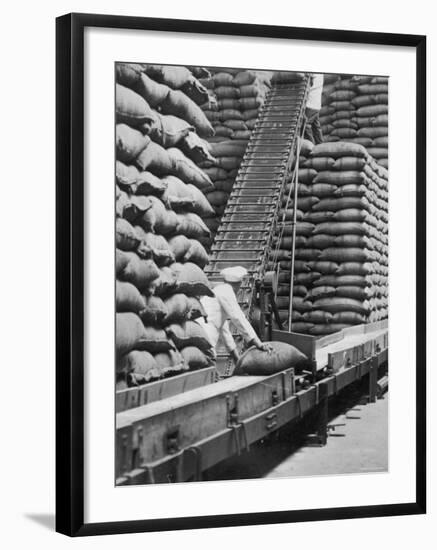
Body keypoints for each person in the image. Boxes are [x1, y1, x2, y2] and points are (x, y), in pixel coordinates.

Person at [196, 266, 272, 365]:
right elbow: (238, 318)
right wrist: (258, 343)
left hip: (198, 333)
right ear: (239, 284)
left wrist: (236, 358)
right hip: (206, 336)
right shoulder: (226, 291)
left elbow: (224, 331)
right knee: (208, 366)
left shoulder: (218, 291)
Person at [304, 73, 324, 145]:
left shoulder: (315, 74)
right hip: (317, 105)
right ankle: (321, 144)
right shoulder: (321, 75)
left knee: (306, 125)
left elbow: (309, 85)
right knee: (316, 127)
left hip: (311, 104)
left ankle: (311, 145)